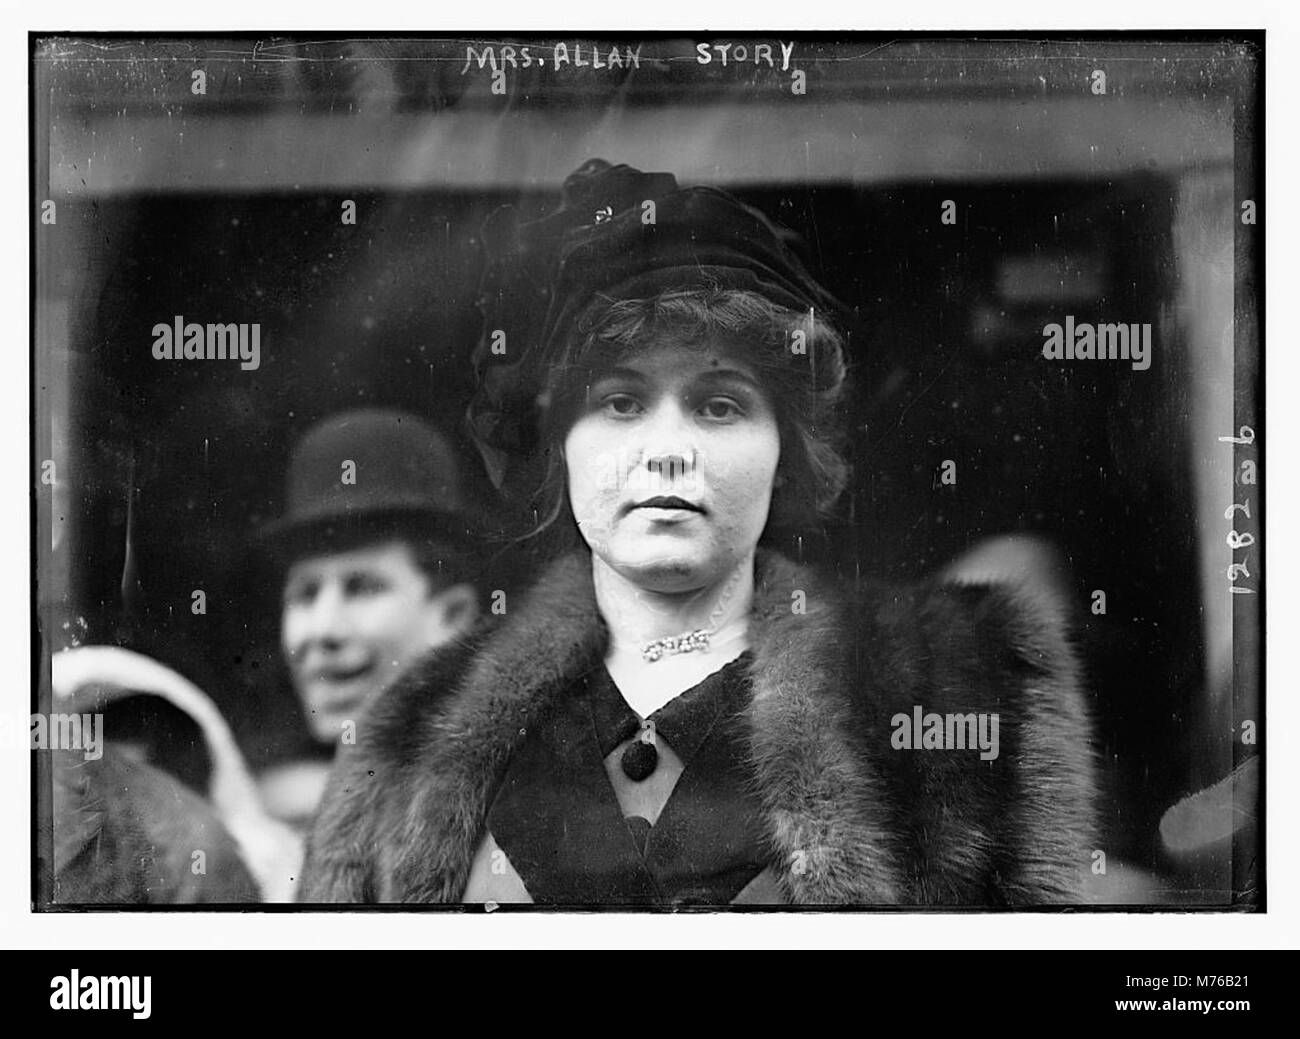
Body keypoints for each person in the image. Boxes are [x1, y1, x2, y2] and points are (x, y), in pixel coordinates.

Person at [300, 161, 1098, 906]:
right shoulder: (413, 725)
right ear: (556, 445)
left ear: (786, 448)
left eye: (720, 405)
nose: (668, 450)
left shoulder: (955, 681)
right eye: (619, 402)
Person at [256, 408, 484, 835]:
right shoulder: (265, 825)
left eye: (361, 588)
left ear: (452, 617)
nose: (321, 631)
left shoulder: (503, 810)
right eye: (304, 594)